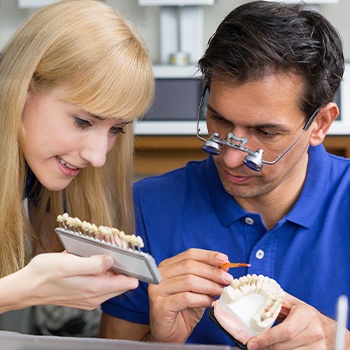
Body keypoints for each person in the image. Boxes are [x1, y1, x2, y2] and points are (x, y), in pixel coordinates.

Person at [99, 1, 350, 349]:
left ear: (320, 124)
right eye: (219, 121)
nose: (231, 158)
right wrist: (162, 340)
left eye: (265, 133)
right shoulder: (146, 207)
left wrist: (333, 338)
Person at [0, 0, 154, 319]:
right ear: (24, 92)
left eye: (116, 130)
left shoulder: (38, 167)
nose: (97, 157)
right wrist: (22, 291)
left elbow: (48, 255)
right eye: (83, 122)